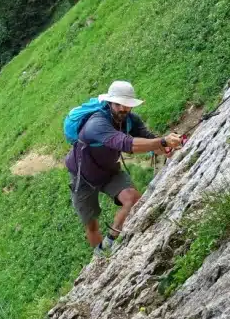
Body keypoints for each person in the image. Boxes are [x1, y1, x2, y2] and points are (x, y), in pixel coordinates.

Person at [64, 81, 182, 255]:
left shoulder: (130, 120)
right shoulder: (96, 123)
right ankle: (100, 257)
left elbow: (148, 139)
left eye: (126, 105)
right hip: (83, 177)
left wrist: (169, 148)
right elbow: (125, 143)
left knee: (133, 199)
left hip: (109, 172)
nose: (122, 109)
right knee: (91, 223)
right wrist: (163, 141)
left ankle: (110, 241)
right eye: (118, 104)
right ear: (110, 103)